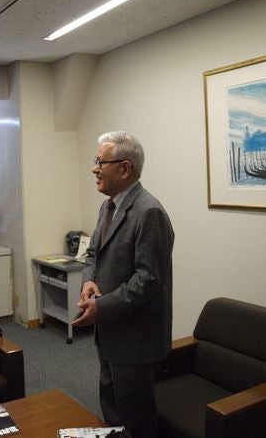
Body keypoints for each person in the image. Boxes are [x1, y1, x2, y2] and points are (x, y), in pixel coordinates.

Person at [72, 131, 174, 438]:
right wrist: (89, 282)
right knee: (112, 407)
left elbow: (148, 280)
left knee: (136, 418)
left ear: (125, 168)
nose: (94, 169)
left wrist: (101, 306)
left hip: (136, 339)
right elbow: (93, 254)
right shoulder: (108, 206)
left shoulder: (149, 212)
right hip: (110, 332)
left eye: (100, 162)